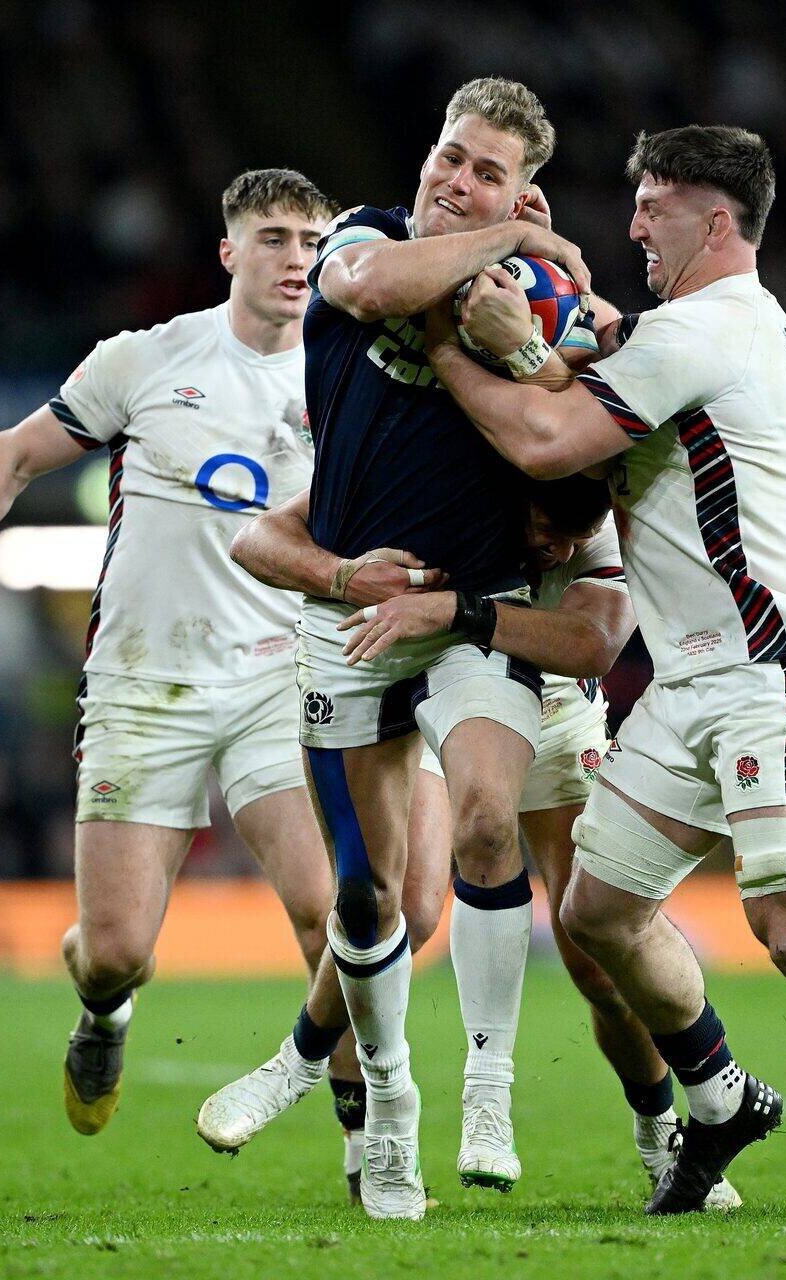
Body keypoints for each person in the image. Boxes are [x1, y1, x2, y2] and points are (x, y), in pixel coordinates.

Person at [419, 124, 786, 1221]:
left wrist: (448, 341)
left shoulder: (713, 327)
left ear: (714, 221)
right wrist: (569, 307)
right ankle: (721, 1098)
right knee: (595, 910)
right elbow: (608, 355)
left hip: (774, 668)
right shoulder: (697, 328)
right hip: (684, 684)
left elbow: (546, 441)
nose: (632, 224)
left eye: (652, 205)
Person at [0, 169, 345, 1137]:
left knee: (332, 914)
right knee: (115, 949)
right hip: (146, 682)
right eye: (274, 238)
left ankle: (369, 1142)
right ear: (229, 252)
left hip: (280, 675)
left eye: (311, 240)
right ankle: (105, 1006)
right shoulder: (148, 359)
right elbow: (11, 453)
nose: (296, 258)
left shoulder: (345, 381)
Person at [200, 478, 738, 1209]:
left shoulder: (599, 523)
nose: (564, 549)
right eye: (550, 526)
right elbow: (256, 537)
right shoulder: (440, 480)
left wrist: (466, 609)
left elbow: (596, 643)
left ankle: (660, 1132)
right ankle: (300, 1062)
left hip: (554, 710)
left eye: (579, 538)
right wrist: (343, 574)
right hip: (440, 685)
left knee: (599, 959)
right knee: (410, 904)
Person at [261, 76, 597, 1221]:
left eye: (488, 172)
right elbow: (363, 285)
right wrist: (511, 234)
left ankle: (487, 1088)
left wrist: (549, 325)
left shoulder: (538, 298)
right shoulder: (365, 238)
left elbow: (589, 446)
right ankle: (389, 1108)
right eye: (451, 158)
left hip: (472, 606)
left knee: (492, 820)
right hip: (355, 616)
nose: (456, 182)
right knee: (365, 896)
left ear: (527, 185)